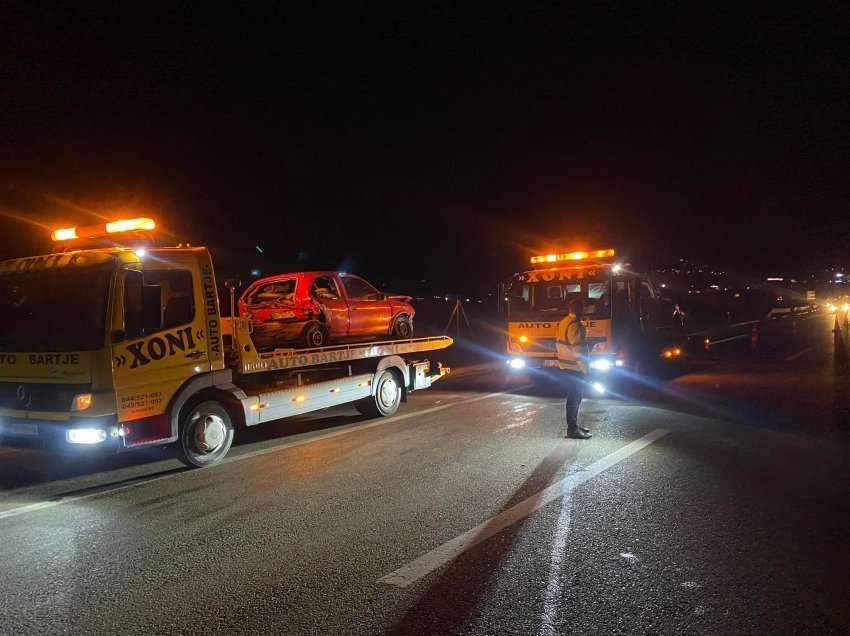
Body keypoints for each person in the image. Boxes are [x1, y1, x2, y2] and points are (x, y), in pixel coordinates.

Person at [556, 298, 591, 439]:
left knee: (574, 397)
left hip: (565, 365)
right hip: (574, 367)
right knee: (574, 398)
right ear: (580, 309)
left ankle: (574, 425)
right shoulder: (575, 325)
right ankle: (572, 429)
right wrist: (585, 370)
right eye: (584, 309)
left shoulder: (565, 321)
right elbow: (579, 351)